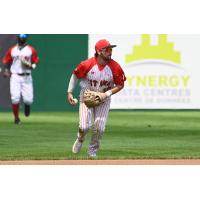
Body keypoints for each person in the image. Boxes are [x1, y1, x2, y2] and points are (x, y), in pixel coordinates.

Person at [67, 39, 126, 158]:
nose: (110, 52)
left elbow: (120, 84)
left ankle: (92, 151)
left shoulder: (115, 67)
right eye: (107, 49)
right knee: (84, 126)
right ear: (99, 52)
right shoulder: (87, 64)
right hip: (87, 96)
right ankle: (80, 138)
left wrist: (106, 94)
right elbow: (75, 75)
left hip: (104, 99)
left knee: (100, 127)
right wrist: (69, 92)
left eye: (111, 49)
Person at [2, 34, 39, 124]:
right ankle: (16, 118)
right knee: (15, 98)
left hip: (27, 76)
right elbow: (6, 61)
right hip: (15, 76)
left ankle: (27, 105)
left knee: (28, 100)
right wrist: (6, 70)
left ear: (26, 38)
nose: (22, 37)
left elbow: (36, 61)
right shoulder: (12, 50)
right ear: (18, 37)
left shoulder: (30, 49)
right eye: (20, 36)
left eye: (24, 36)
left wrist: (31, 66)